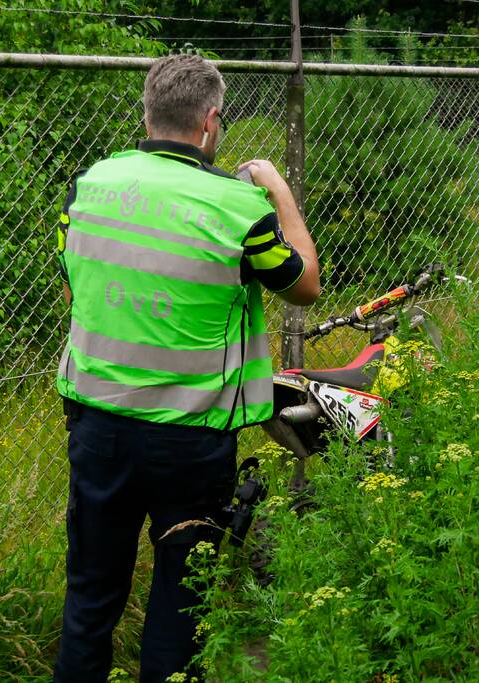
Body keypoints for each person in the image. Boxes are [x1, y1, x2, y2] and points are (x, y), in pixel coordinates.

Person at [51, 54, 320, 683]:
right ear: (211, 121)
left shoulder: (89, 185)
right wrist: (277, 189)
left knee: (90, 595)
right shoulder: (236, 205)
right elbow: (304, 287)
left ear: (146, 112)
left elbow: (76, 284)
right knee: (182, 600)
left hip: (96, 427)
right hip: (190, 440)